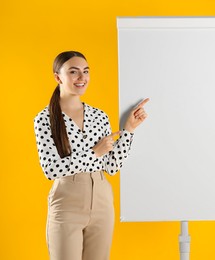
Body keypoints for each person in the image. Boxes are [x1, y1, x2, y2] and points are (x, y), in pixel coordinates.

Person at [33, 50, 149, 260]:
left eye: (85, 72)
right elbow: (51, 169)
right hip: (67, 200)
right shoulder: (44, 119)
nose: (82, 78)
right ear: (58, 77)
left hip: (102, 200)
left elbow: (112, 166)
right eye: (74, 72)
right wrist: (94, 153)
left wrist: (129, 130)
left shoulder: (99, 116)